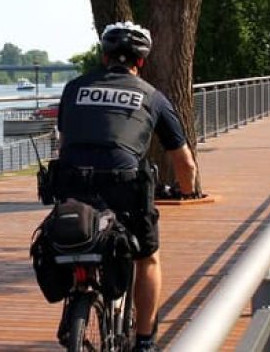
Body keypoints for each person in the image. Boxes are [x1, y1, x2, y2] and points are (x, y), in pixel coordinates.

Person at [55, 21, 198, 352]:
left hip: (72, 183)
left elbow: (65, 142)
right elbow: (184, 162)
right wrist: (187, 191)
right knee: (146, 257)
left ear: (104, 57)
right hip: (124, 187)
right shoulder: (152, 96)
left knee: (78, 234)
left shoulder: (73, 88)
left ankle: (79, 291)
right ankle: (146, 340)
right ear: (141, 62)